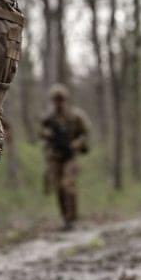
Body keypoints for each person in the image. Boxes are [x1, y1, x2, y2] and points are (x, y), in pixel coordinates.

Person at [39, 84, 90, 230]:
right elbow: (41, 135)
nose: (58, 102)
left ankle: (72, 218)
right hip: (55, 157)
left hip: (70, 156)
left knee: (68, 185)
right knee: (58, 188)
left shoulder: (76, 116)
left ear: (65, 100)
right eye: (56, 99)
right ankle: (65, 219)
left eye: (61, 99)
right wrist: (47, 136)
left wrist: (76, 144)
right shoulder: (48, 118)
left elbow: (85, 133)